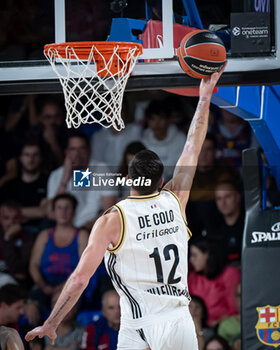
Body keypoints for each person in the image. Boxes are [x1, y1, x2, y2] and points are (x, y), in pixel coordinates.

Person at [25, 64, 227, 349]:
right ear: (161, 181)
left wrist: (52, 322)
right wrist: (204, 97)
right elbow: (193, 145)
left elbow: (80, 277)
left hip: (135, 322)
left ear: (128, 178)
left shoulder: (112, 219)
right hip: (176, 319)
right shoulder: (175, 197)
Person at [29, 194, 88, 314]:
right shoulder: (44, 235)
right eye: (59, 208)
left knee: (62, 306)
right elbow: (33, 265)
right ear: (54, 212)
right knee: (31, 309)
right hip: (45, 285)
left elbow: (85, 267)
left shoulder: (82, 235)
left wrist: (66, 286)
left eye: (67, 208)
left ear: (74, 212)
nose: (63, 212)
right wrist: (43, 286)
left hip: (73, 285)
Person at [47, 130, 117, 229]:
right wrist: (65, 179)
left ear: (89, 150)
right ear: (66, 152)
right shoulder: (56, 175)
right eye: (73, 149)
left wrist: (85, 229)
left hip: (94, 229)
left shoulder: (102, 170)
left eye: (82, 149)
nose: (77, 154)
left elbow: (109, 209)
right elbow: (51, 213)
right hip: (65, 230)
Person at [188, 239, 240, 327]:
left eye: (194, 255)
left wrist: (218, 322)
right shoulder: (193, 277)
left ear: (207, 254)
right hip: (196, 325)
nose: (191, 260)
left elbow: (235, 308)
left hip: (223, 326)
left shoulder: (230, 274)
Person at [142, 99, 187, 182]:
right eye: (153, 119)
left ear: (168, 119)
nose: (157, 123)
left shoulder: (180, 139)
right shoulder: (143, 141)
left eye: (161, 118)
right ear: (148, 121)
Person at [0, 201, 34, 288]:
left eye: (15, 218)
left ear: (21, 219)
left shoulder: (27, 237)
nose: (11, 222)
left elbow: (18, 268)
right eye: (6, 218)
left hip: (14, 285)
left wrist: (7, 239)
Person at [218, 283, 241, 349]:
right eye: (239, 295)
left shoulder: (261, 322)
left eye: (247, 294)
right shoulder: (225, 324)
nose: (243, 298)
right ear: (235, 298)